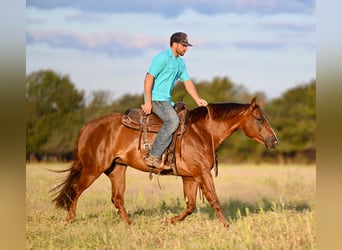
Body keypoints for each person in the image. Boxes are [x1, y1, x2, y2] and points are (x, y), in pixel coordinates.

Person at [142, 32, 208, 170]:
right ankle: (153, 156)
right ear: (175, 44)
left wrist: (197, 99)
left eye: (187, 46)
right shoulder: (162, 58)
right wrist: (148, 101)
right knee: (173, 121)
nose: (186, 48)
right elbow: (149, 78)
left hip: (167, 101)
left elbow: (188, 82)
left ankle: (173, 158)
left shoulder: (180, 63)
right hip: (156, 99)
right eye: (184, 45)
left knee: (186, 120)